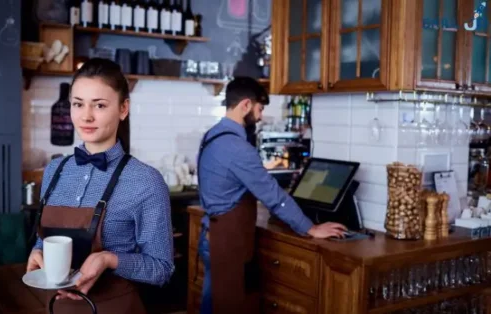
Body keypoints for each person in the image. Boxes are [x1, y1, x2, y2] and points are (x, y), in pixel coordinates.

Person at [26, 58, 174, 314]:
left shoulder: (146, 181)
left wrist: (108, 259)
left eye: (100, 105)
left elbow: (161, 268)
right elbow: (45, 240)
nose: (86, 116)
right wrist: (38, 252)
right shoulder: (54, 170)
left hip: (115, 307)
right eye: (78, 104)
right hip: (56, 307)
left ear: (123, 108)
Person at [196, 77, 347, 314]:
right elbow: (274, 196)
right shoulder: (238, 148)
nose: (260, 116)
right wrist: (310, 228)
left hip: (212, 235)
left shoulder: (212, 135)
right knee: (229, 307)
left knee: (212, 303)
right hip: (227, 242)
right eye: (259, 108)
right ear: (245, 105)